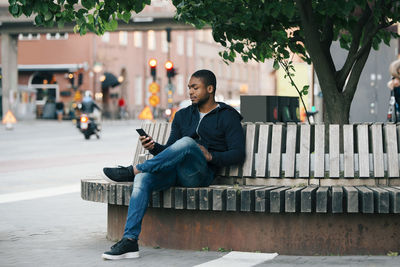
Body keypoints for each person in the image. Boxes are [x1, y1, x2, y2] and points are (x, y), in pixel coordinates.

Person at [101, 69, 245, 260]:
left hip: (200, 174)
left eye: (195, 87)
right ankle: (130, 240)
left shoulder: (227, 115)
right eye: (189, 88)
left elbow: (238, 154)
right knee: (143, 179)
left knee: (186, 142)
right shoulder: (183, 115)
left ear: (210, 89)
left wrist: (211, 157)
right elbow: (170, 151)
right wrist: (154, 148)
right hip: (174, 172)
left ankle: (134, 169)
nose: (190, 92)